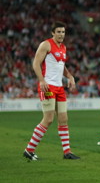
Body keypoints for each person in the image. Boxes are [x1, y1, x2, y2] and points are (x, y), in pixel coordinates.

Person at [23, 21, 80, 160]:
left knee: (63, 119)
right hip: (47, 86)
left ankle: (67, 152)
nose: (61, 34)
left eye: (63, 32)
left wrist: (70, 76)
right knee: (48, 119)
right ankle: (29, 150)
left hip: (59, 87)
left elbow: (62, 66)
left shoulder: (63, 47)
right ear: (53, 33)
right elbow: (36, 63)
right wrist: (42, 80)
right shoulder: (46, 44)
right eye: (59, 32)